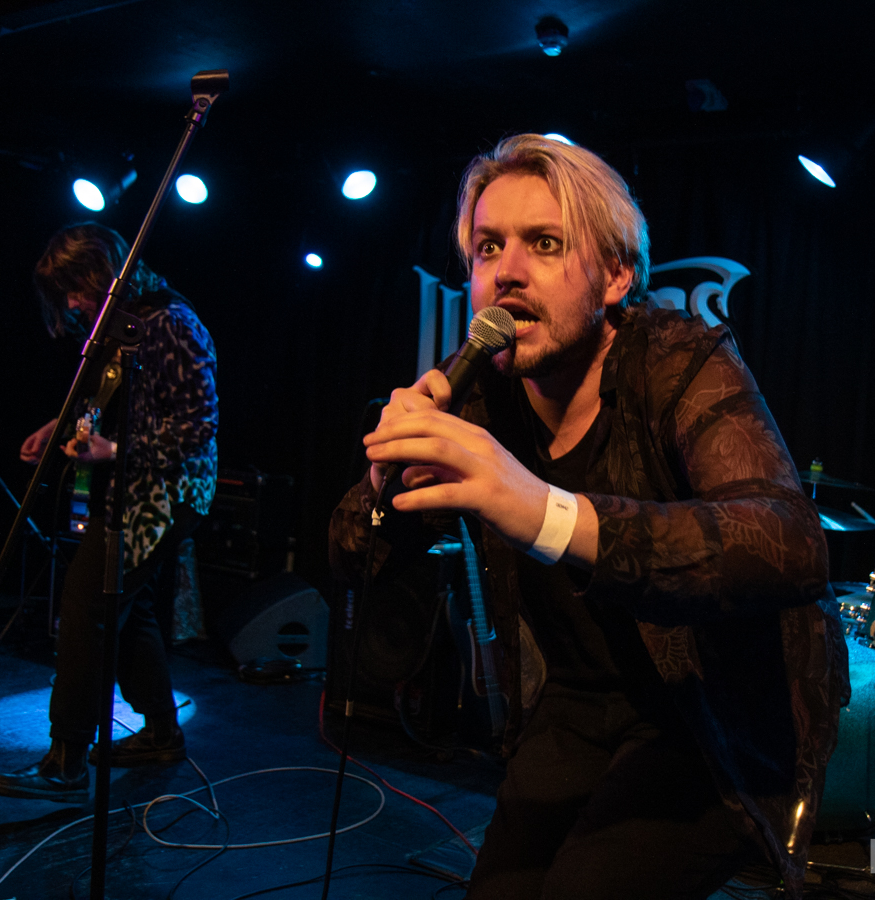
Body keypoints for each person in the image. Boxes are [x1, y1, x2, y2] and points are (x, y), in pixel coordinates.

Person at [329, 135, 846, 899]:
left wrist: (542, 510)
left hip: (709, 724)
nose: (506, 271)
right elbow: (347, 560)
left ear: (615, 275)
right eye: (486, 248)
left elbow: (790, 544)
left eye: (544, 244)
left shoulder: (679, 358)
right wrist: (384, 489)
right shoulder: (481, 394)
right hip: (575, 705)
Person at [0, 223, 219, 802]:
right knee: (125, 613)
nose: (72, 304)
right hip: (131, 494)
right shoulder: (121, 329)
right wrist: (56, 428)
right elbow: (103, 406)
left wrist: (117, 450)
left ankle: (65, 762)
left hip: (166, 494)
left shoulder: (172, 324)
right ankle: (161, 733)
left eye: (76, 288)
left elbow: (196, 431)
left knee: (86, 609)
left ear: (103, 271)